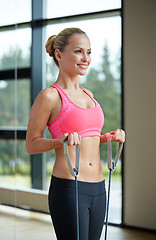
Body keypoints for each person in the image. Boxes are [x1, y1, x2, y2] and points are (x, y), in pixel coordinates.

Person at [25, 27, 125, 240]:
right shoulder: (50, 96)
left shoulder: (89, 95)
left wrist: (108, 137)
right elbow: (31, 144)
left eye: (89, 52)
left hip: (98, 188)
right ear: (59, 55)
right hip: (70, 188)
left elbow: (88, 138)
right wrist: (59, 141)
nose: (86, 58)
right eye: (79, 51)